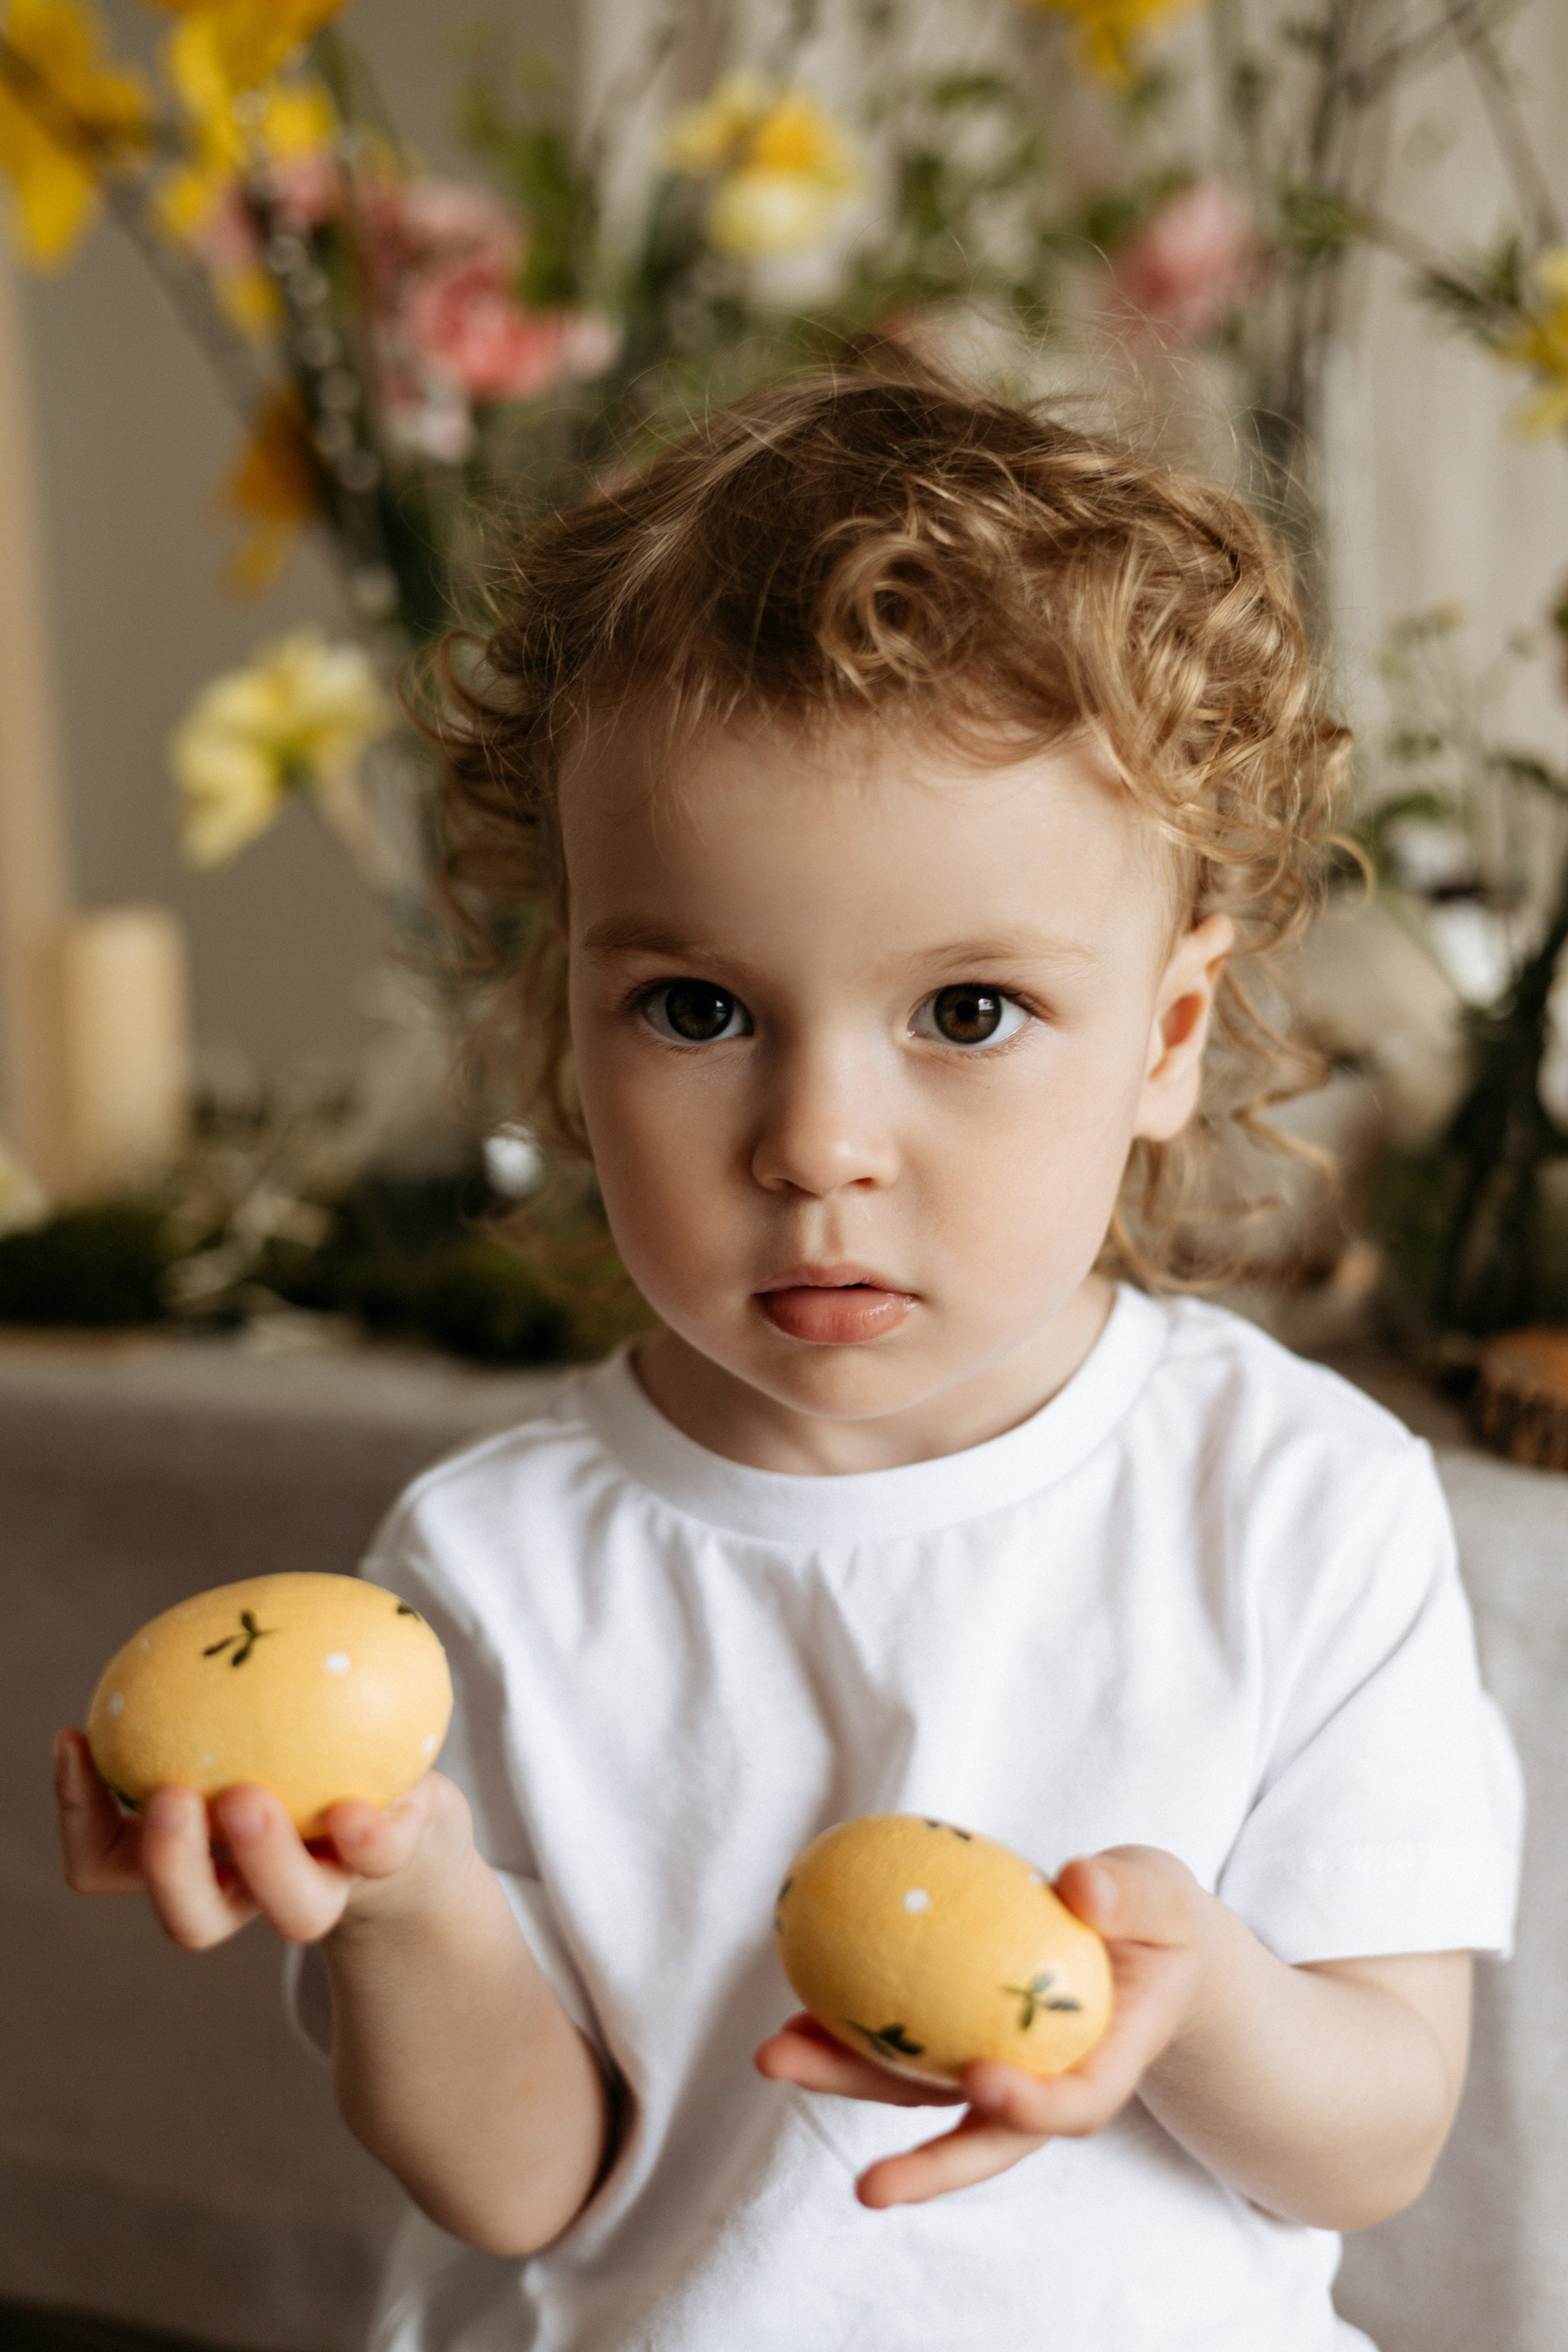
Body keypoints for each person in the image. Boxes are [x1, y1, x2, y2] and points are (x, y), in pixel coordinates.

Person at [56, 361, 1521, 2352]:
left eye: (974, 1011)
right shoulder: (490, 1564)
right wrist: (406, 1899)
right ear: (566, 1016)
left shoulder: (1294, 1505)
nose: (817, 1142)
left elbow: (1373, 2139)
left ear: (1170, 1035)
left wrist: (1201, 1998)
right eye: (696, 1007)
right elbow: (524, 2181)